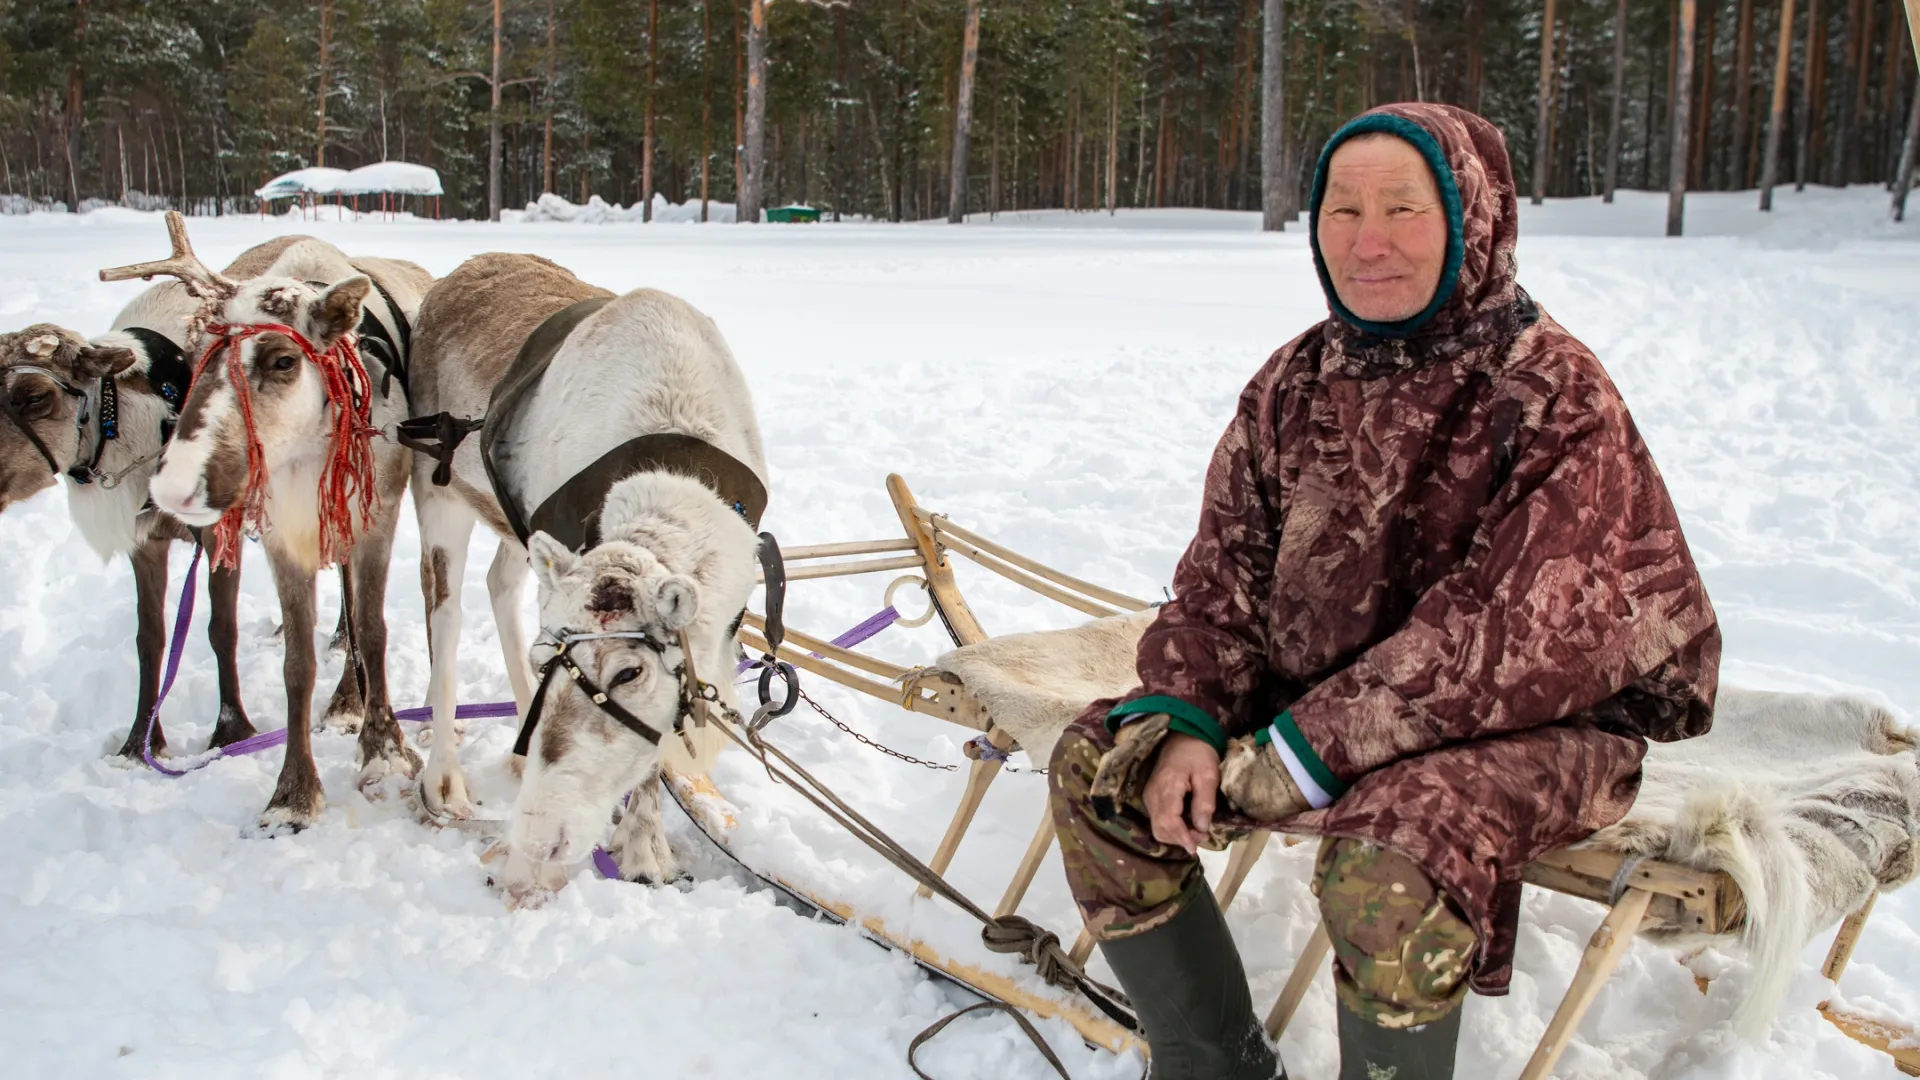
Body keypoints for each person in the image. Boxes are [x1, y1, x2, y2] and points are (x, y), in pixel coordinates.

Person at [1047, 103, 1721, 1080]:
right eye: (1341, 210)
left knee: (1391, 853)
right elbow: (1221, 573)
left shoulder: (1552, 393)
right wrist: (1191, 715)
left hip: (1536, 729)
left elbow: (1506, 634)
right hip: (1325, 710)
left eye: (1404, 208)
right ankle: (1214, 1064)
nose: (1367, 241)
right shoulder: (1293, 381)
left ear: (1473, 217)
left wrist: (1301, 753)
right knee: (1103, 763)